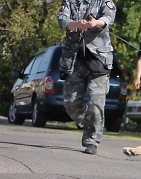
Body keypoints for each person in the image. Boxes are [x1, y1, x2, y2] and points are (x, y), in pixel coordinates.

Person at [57, 0, 116, 155]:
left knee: (96, 104)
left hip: (98, 60)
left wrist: (96, 22)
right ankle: (90, 123)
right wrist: (77, 24)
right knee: (70, 104)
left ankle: (92, 140)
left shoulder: (104, 2)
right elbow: (62, 20)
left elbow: (108, 18)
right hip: (74, 60)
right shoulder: (70, 2)